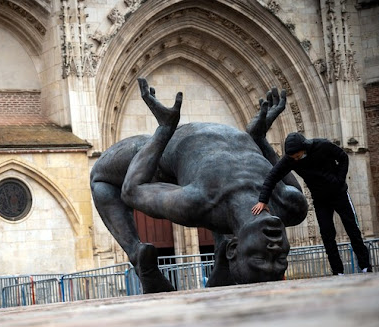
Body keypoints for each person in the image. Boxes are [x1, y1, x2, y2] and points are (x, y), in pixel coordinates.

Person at [90, 78, 308, 292]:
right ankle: (221, 266)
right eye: (281, 259)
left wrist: (164, 130)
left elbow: (131, 190)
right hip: (230, 144)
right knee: (222, 212)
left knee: (100, 177)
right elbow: (285, 169)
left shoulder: (195, 202)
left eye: (261, 257)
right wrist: (260, 139)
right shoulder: (293, 206)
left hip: (169, 150)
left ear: (235, 249)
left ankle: (137, 255)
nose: (274, 247)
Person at [252, 132, 372, 275]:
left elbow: (343, 157)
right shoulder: (290, 160)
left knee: (352, 228)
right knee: (327, 234)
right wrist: (262, 201)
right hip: (320, 199)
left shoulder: (322, 146)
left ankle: (365, 266)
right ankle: (337, 271)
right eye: (293, 157)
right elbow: (272, 177)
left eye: (298, 155)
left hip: (339, 194)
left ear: (304, 148)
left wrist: (339, 181)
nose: (296, 159)